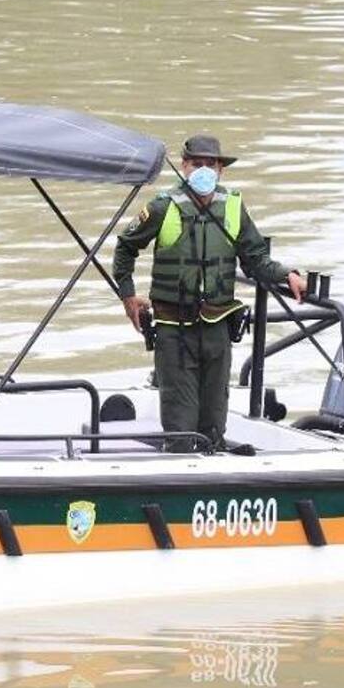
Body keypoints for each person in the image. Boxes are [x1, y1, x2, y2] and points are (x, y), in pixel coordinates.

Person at [112, 135, 307, 451]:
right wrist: (128, 295)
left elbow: (256, 258)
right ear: (185, 166)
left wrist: (288, 275)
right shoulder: (163, 207)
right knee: (180, 422)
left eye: (211, 164)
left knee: (215, 417)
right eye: (197, 164)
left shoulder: (232, 207)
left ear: (221, 170)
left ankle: (213, 464)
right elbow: (125, 247)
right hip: (175, 331)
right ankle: (180, 472)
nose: (204, 170)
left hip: (217, 329)